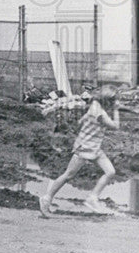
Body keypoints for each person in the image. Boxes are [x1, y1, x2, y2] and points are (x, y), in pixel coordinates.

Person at [39, 89, 120, 217]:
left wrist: (86, 126)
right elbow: (115, 126)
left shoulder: (95, 106)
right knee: (68, 175)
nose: (115, 103)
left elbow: (81, 120)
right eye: (114, 101)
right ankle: (46, 198)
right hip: (85, 148)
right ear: (108, 101)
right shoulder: (100, 113)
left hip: (94, 147)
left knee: (110, 171)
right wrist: (116, 110)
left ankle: (92, 198)